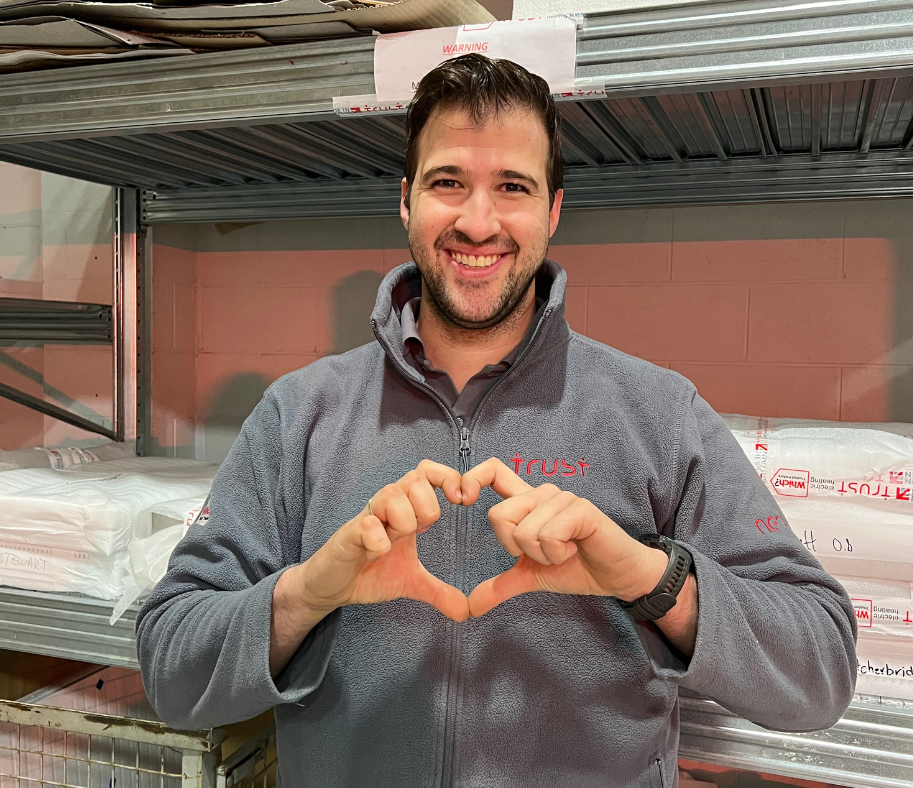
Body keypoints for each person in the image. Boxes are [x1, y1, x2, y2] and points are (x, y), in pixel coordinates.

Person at [137, 54, 857, 788]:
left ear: (552, 210)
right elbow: (171, 670)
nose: (477, 223)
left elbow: (822, 671)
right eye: (447, 182)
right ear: (406, 202)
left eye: (512, 187)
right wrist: (309, 592)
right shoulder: (300, 415)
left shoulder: (658, 412)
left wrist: (650, 578)